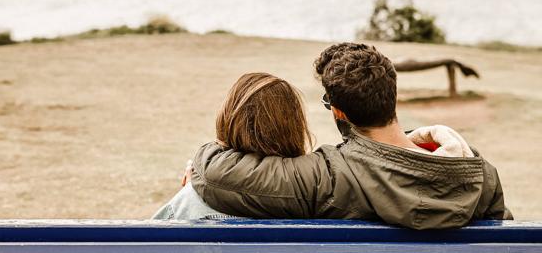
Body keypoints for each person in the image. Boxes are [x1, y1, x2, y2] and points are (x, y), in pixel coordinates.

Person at [190, 43, 512, 229]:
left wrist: (202, 156)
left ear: (339, 112)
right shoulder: (478, 172)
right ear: (392, 96)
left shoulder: (330, 178)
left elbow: (219, 176)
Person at [152, 72, 313, 220]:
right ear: (295, 128)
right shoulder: (316, 200)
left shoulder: (188, 202)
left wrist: (194, 189)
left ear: (230, 120)